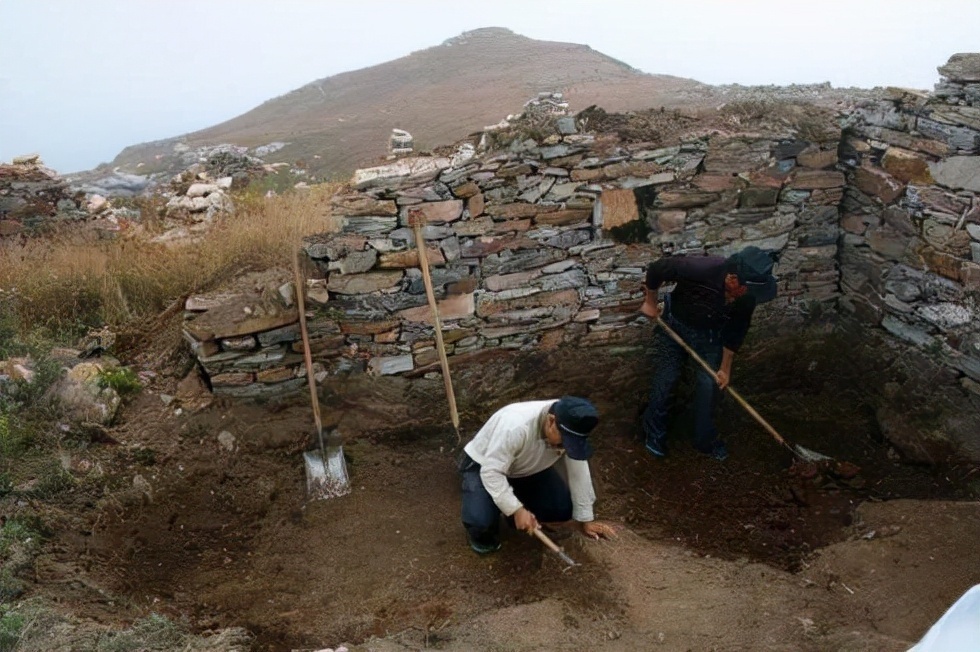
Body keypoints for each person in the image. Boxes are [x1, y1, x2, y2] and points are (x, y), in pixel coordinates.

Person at [638, 246, 778, 461]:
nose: (750, 297)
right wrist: (650, 302)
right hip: (675, 325)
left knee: (710, 385)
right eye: (747, 290)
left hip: (710, 337)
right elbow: (659, 268)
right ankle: (654, 435)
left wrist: (724, 369)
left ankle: (704, 440)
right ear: (733, 280)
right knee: (666, 380)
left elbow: (737, 330)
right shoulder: (703, 268)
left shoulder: (746, 297)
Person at [458, 396, 618, 554]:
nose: (564, 447)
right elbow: (491, 471)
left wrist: (586, 519)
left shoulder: (570, 423)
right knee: (481, 525)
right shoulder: (515, 426)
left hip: (527, 468)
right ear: (550, 421)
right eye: (564, 442)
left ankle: (511, 509)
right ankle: (491, 513)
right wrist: (516, 509)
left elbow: (578, 472)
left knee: (562, 509)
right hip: (485, 465)